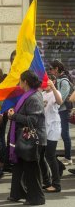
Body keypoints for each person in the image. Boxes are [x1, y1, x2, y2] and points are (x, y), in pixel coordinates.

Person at [8, 70, 46, 205]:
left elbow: (33, 120)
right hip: (23, 138)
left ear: (25, 82)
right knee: (19, 167)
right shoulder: (27, 95)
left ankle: (36, 198)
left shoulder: (34, 97)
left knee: (32, 170)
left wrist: (14, 116)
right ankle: (17, 194)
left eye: (20, 80)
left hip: (33, 140)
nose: (19, 83)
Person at [41, 74, 62, 192]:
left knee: (50, 155)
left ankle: (56, 184)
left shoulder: (56, 92)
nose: (45, 83)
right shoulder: (42, 94)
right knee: (41, 156)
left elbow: (59, 102)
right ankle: (47, 181)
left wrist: (53, 88)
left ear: (53, 81)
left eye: (47, 81)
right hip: (43, 128)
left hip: (53, 128)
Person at [49, 59, 72, 166]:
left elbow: (61, 99)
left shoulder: (64, 81)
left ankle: (68, 157)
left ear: (56, 69)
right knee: (60, 133)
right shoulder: (59, 79)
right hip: (59, 111)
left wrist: (52, 105)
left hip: (63, 111)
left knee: (65, 134)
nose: (50, 71)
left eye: (51, 69)